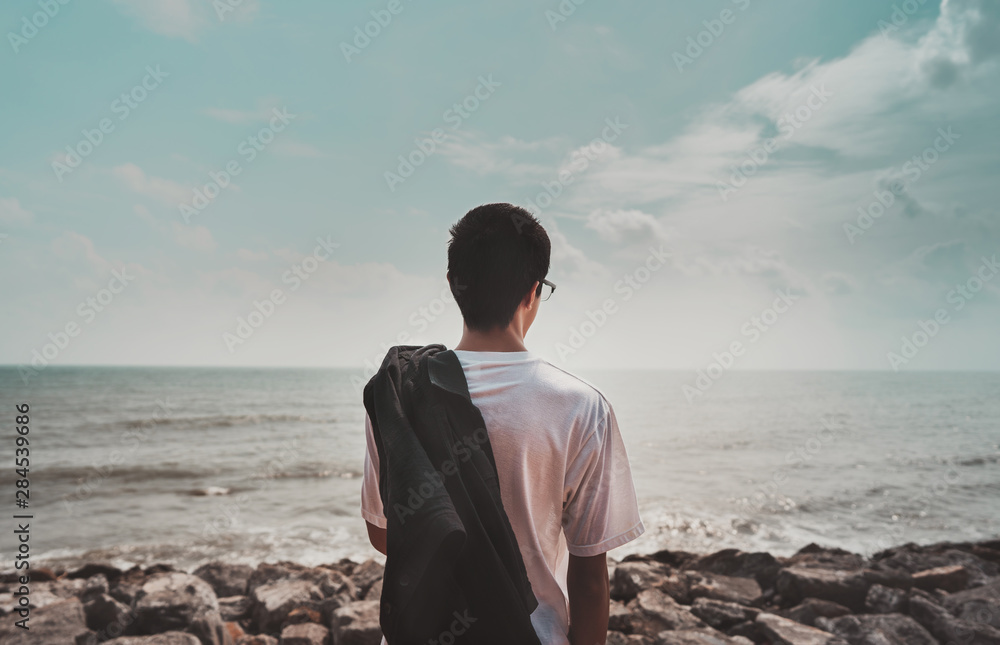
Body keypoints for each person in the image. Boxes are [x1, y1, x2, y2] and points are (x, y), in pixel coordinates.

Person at [361, 203, 644, 645]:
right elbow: (589, 578)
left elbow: (384, 534)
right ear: (533, 291)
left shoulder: (399, 389)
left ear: (454, 284)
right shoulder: (581, 407)